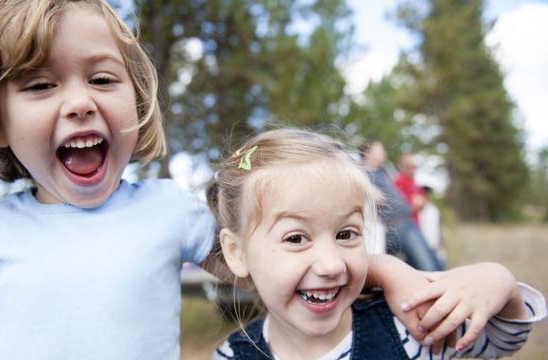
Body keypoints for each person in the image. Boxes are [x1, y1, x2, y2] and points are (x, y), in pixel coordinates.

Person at [0, 1, 458, 358]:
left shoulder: (169, 210)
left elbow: (280, 265)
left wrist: (386, 271)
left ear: (137, 101)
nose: (79, 103)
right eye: (39, 86)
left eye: (102, 78)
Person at [208, 129, 546, 360]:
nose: (332, 265)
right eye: (296, 238)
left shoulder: (408, 327)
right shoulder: (231, 355)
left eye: (346, 234)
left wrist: (498, 280)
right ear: (237, 253)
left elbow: (504, 341)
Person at [359, 141, 445, 271]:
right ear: (368, 152)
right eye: (380, 149)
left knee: (437, 262)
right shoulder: (361, 174)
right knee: (428, 267)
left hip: (407, 222)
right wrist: (367, 187)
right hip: (397, 226)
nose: (384, 152)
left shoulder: (382, 172)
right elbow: (349, 176)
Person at [394, 152, 427, 226]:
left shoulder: (414, 183)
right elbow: (397, 210)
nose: (412, 170)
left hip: (414, 223)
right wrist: (414, 206)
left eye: (414, 166)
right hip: (404, 224)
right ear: (401, 166)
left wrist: (422, 203)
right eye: (409, 166)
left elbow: (423, 202)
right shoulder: (398, 181)